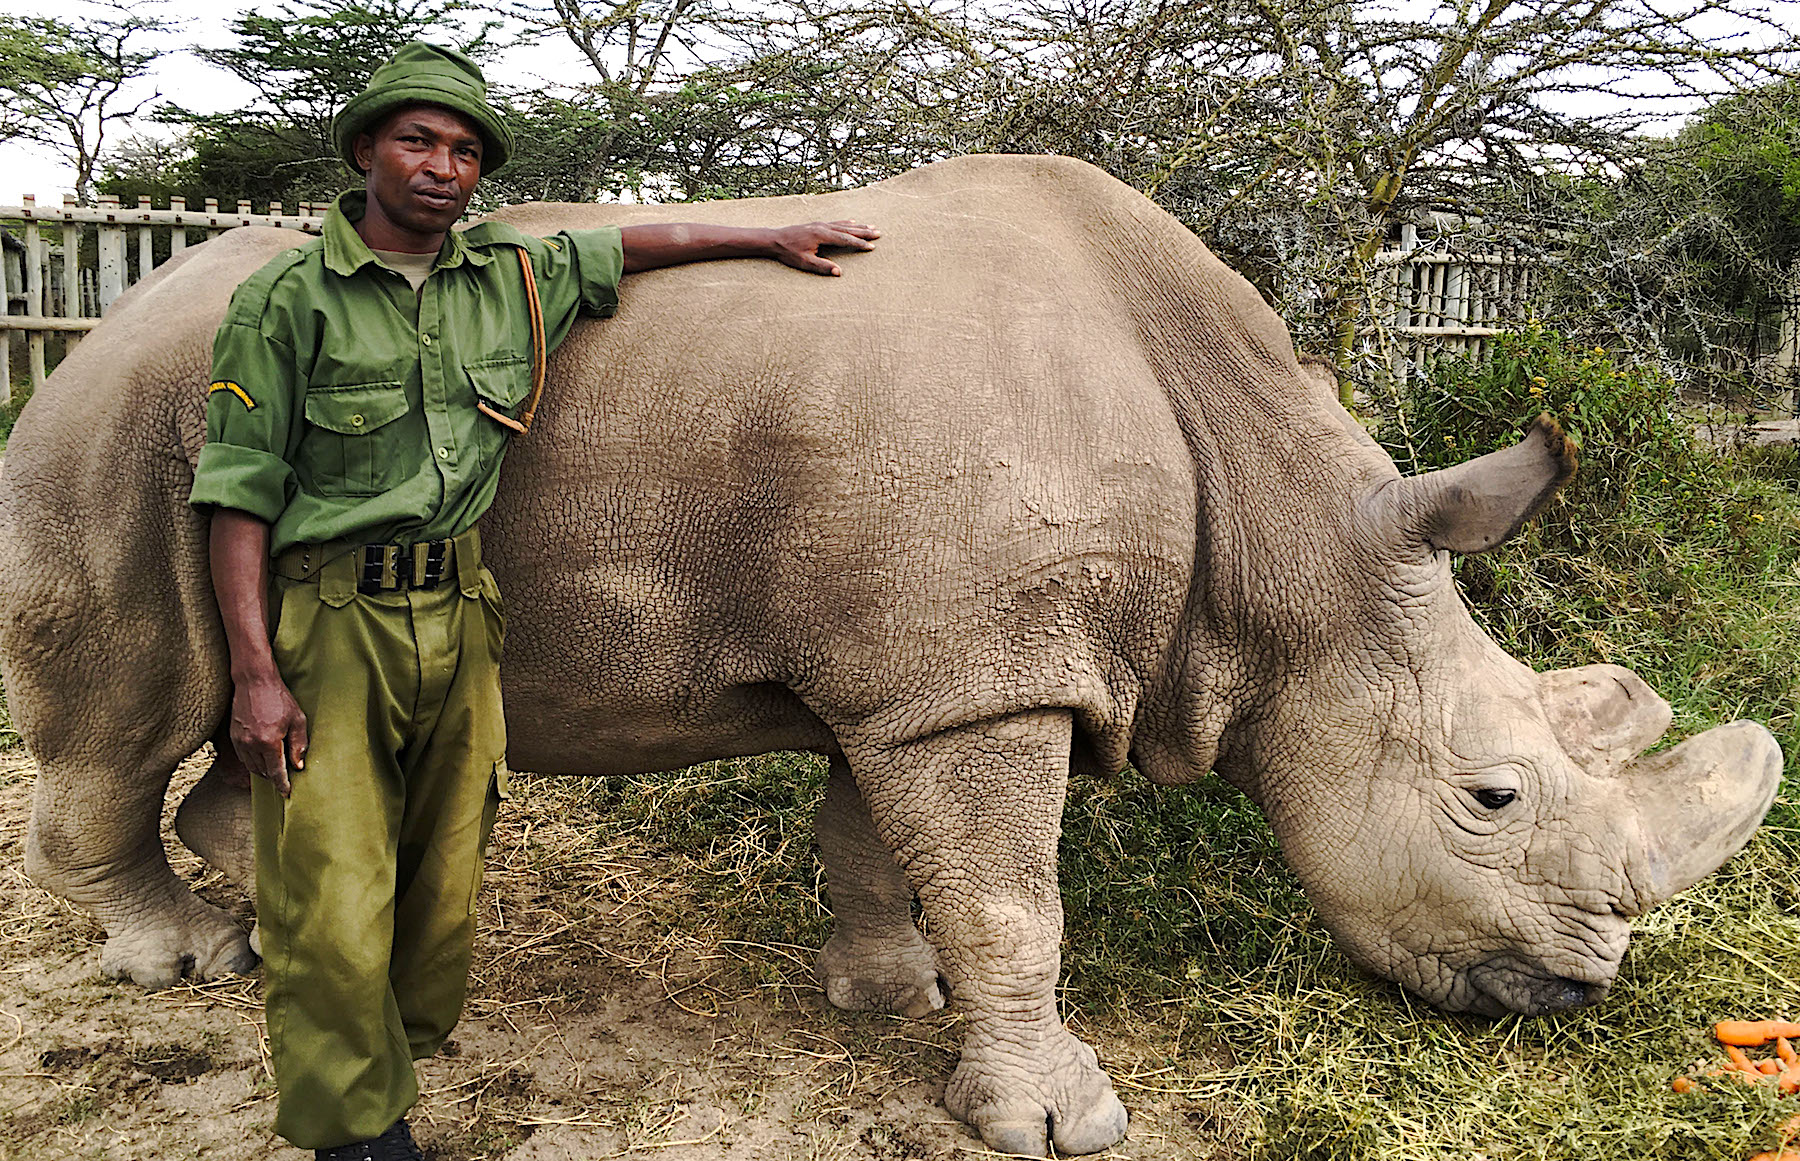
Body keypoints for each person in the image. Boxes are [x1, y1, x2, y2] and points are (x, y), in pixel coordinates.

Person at [189, 41, 878, 1161]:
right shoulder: (287, 301)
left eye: (465, 150)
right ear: (366, 149)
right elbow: (238, 494)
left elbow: (633, 242)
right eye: (418, 140)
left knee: (445, 876)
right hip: (332, 621)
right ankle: (353, 1125)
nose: (443, 166)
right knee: (331, 885)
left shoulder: (510, 275)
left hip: (460, 611)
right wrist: (258, 675)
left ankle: (389, 1050)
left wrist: (766, 230)